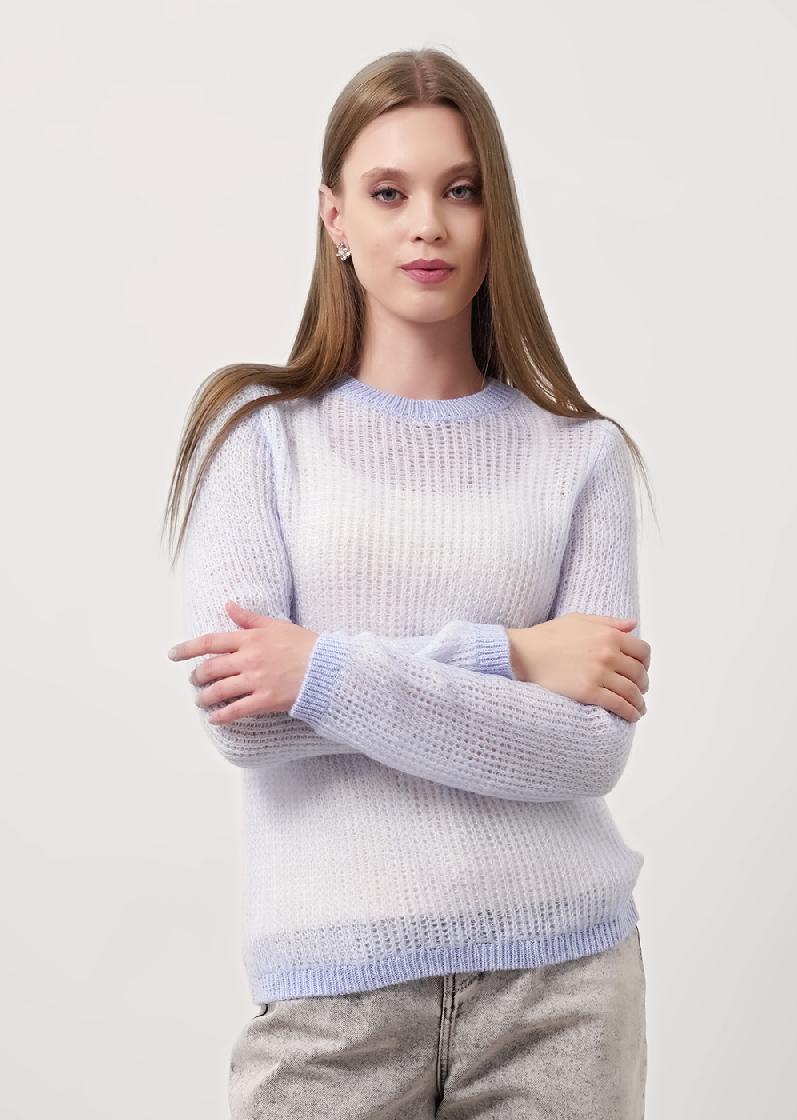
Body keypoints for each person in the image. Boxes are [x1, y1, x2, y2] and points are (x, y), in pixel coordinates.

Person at [163, 46, 654, 1120]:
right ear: (334, 216)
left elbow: (587, 747)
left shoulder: (582, 457)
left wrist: (318, 668)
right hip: (331, 996)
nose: (426, 224)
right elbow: (249, 718)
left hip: (561, 983)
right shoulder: (257, 439)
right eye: (389, 192)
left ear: (494, 215)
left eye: (459, 190)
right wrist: (513, 655)